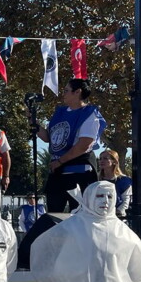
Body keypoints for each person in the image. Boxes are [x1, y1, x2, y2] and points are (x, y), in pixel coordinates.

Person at [36, 79, 106, 212]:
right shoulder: (60, 113)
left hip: (79, 172)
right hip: (58, 173)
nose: (63, 93)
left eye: (67, 90)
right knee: (54, 215)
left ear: (78, 92)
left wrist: (60, 161)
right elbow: (48, 138)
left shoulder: (89, 114)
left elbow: (84, 144)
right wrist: (33, 121)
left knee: (80, 215)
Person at [98, 149, 132, 217]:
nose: (101, 161)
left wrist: (118, 212)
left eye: (105, 158)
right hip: (98, 216)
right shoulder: (96, 180)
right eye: (100, 158)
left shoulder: (124, 181)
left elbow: (126, 200)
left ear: (114, 161)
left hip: (117, 217)